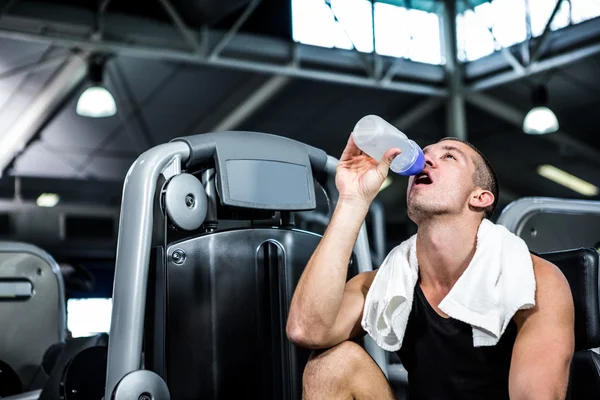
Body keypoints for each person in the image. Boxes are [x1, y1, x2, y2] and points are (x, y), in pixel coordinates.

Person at [286, 134, 575, 400]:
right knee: (330, 365)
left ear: (479, 197)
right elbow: (305, 330)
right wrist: (352, 201)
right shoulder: (387, 283)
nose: (425, 159)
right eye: (423, 154)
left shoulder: (534, 281)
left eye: (449, 156)